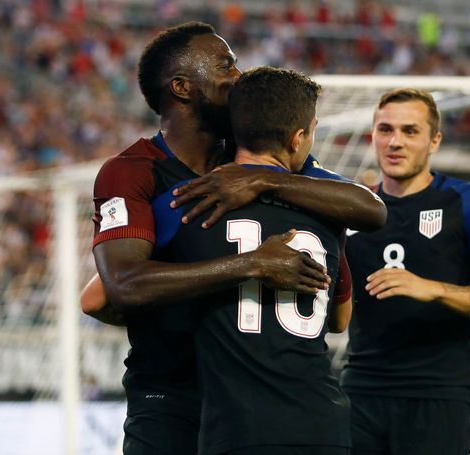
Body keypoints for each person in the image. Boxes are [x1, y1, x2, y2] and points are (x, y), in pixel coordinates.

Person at [90, 22, 385, 455]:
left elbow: (369, 207)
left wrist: (268, 184)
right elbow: (124, 285)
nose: (239, 76)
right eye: (225, 65)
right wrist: (249, 265)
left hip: (251, 404)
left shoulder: (254, 152)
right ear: (182, 87)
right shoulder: (132, 171)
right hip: (170, 397)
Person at [163, 66, 351, 455]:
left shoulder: (184, 201)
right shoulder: (332, 209)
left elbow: (101, 298)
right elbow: (340, 319)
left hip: (235, 429)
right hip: (322, 427)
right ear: (298, 139)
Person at [342, 88, 470, 455]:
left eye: (410, 131)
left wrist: (431, 289)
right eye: (385, 130)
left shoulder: (467, 201)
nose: (395, 142)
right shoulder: (352, 208)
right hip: (360, 391)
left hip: (437, 395)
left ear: (434, 140)